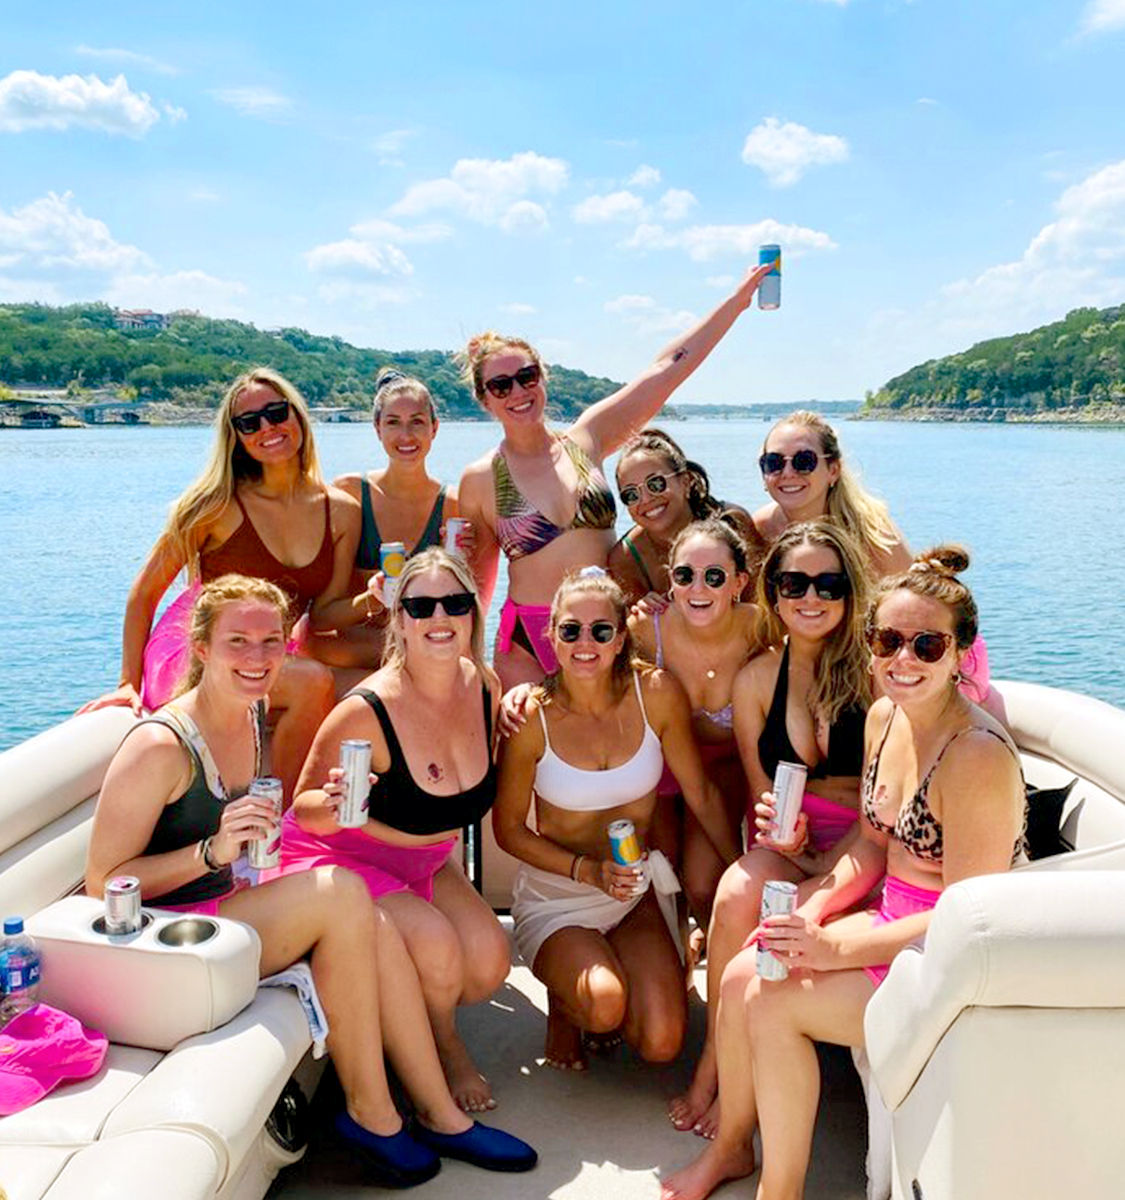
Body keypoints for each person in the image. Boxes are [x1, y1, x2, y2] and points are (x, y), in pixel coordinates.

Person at [85, 574, 537, 1187]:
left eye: (272, 642)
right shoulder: (160, 747)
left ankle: (438, 1114)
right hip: (172, 942)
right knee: (344, 893)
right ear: (200, 646)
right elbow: (102, 885)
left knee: (370, 922)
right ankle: (372, 1115)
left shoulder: (248, 716)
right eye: (238, 642)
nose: (259, 658)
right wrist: (211, 849)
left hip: (231, 906)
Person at [660, 546, 1025, 1200]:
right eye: (887, 641)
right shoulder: (886, 717)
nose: (902, 660)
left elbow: (969, 919)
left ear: (959, 650)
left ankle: (781, 1190)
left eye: (926, 644)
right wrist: (808, 912)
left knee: (769, 1002)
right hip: (891, 920)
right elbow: (871, 844)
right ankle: (732, 1149)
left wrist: (835, 948)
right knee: (749, 966)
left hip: (941, 957)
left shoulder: (975, 759)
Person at [457, 263, 776, 690]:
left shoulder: (586, 438)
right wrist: (466, 665)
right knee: (528, 752)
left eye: (526, 376)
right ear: (484, 400)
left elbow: (666, 369)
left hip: (606, 630)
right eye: (501, 385)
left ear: (542, 378)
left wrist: (735, 304)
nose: (518, 392)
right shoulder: (480, 479)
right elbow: (476, 586)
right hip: (528, 640)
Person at [268, 548, 508, 1114]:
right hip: (341, 861)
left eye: (454, 603)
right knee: (442, 954)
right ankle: (445, 1051)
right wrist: (335, 804)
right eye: (421, 606)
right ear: (398, 619)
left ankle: (414, 1014)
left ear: (473, 612)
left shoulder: (484, 688)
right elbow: (301, 810)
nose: (439, 619)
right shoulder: (366, 710)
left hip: (422, 859)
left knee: (489, 962)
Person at [669, 520, 872, 1139]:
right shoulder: (757, 679)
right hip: (793, 840)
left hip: (868, 843)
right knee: (734, 893)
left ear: (849, 590)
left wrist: (824, 864)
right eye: (794, 583)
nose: (810, 597)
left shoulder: (876, 669)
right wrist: (789, 845)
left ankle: (734, 1081)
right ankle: (714, 1064)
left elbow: (885, 807)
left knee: (778, 899)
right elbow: (764, 792)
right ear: (773, 591)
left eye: (827, 583)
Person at [493, 568, 740, 1073]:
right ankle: (569, 1008)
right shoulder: (529, 719)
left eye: (601, 631)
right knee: (603, 1006)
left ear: (621, 637)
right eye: (571, 630)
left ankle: (627, 976)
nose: (586, 643)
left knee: (663, 1043)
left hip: (634, 892)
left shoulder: (656, 693)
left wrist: (740, 871)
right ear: (553, 637)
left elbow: (701, 794)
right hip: (559, 896)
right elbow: (509, 831)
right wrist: (588, 871)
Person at [78, 367, 356, 800]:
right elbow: (145, 593)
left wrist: (379, 598)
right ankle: (275, 822)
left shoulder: (339, 510)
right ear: (237, 437)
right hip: (194, 647)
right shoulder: (215, 504)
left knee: (368, 688)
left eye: (276, 412)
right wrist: (126, 683)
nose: (267, 428)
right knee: (313, 681)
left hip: (269, 649)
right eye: (249, 422)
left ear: (297, 415)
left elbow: (325, 612)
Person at [751, 410, 997, 713]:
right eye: (774, 463)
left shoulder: (871, 533)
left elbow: (917, 613)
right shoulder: (761, 529)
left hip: (905, 660)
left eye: (804, 461)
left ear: (833, 470)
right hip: (826, 669)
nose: (787, 473)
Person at [628, 519, 762, 935]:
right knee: (664, 879)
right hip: (668, 770)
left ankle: (724, 953)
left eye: (714, 576)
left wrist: (737, 859)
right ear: (671, 579)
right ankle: (680, 959)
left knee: (704, 883)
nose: (698, 588)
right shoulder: (646, 630)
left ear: (739, 582)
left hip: (732, 766)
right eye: (685, 575)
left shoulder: (761, 627)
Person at [309, 369, 463, 681]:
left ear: (434, 428)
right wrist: (372, 598)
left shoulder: (452, 506)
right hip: (354, 655)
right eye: (393, 422)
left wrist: (459, 567)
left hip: (419, 656)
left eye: (417, 422)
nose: (406, 435)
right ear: (377, 428)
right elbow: (321, 619)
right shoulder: (349, 492)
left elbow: (462, 611)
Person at [609, 428, 767, 609]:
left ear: (685, 482)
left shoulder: (733, 522)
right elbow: (635, 632)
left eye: (656, 484)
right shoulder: (625, 558)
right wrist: (643, 612)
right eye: (631, 494)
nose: (645, 499)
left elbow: (761, 610)